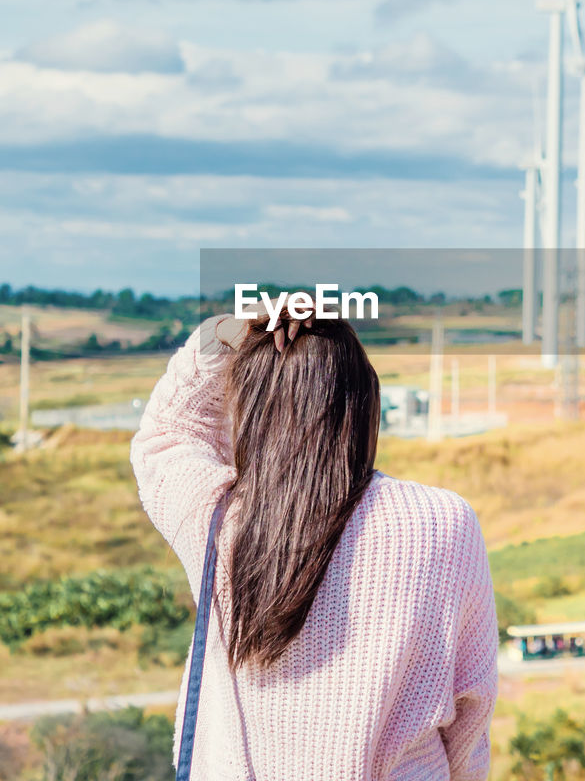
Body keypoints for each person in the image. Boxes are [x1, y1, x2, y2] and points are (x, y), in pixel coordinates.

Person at [131, 305, 498, 780]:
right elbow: (471, 706)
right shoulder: (444, 522)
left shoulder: (217, 516)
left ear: (253, 414)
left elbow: (166, 434)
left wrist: (231, 331)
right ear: (364, 406)